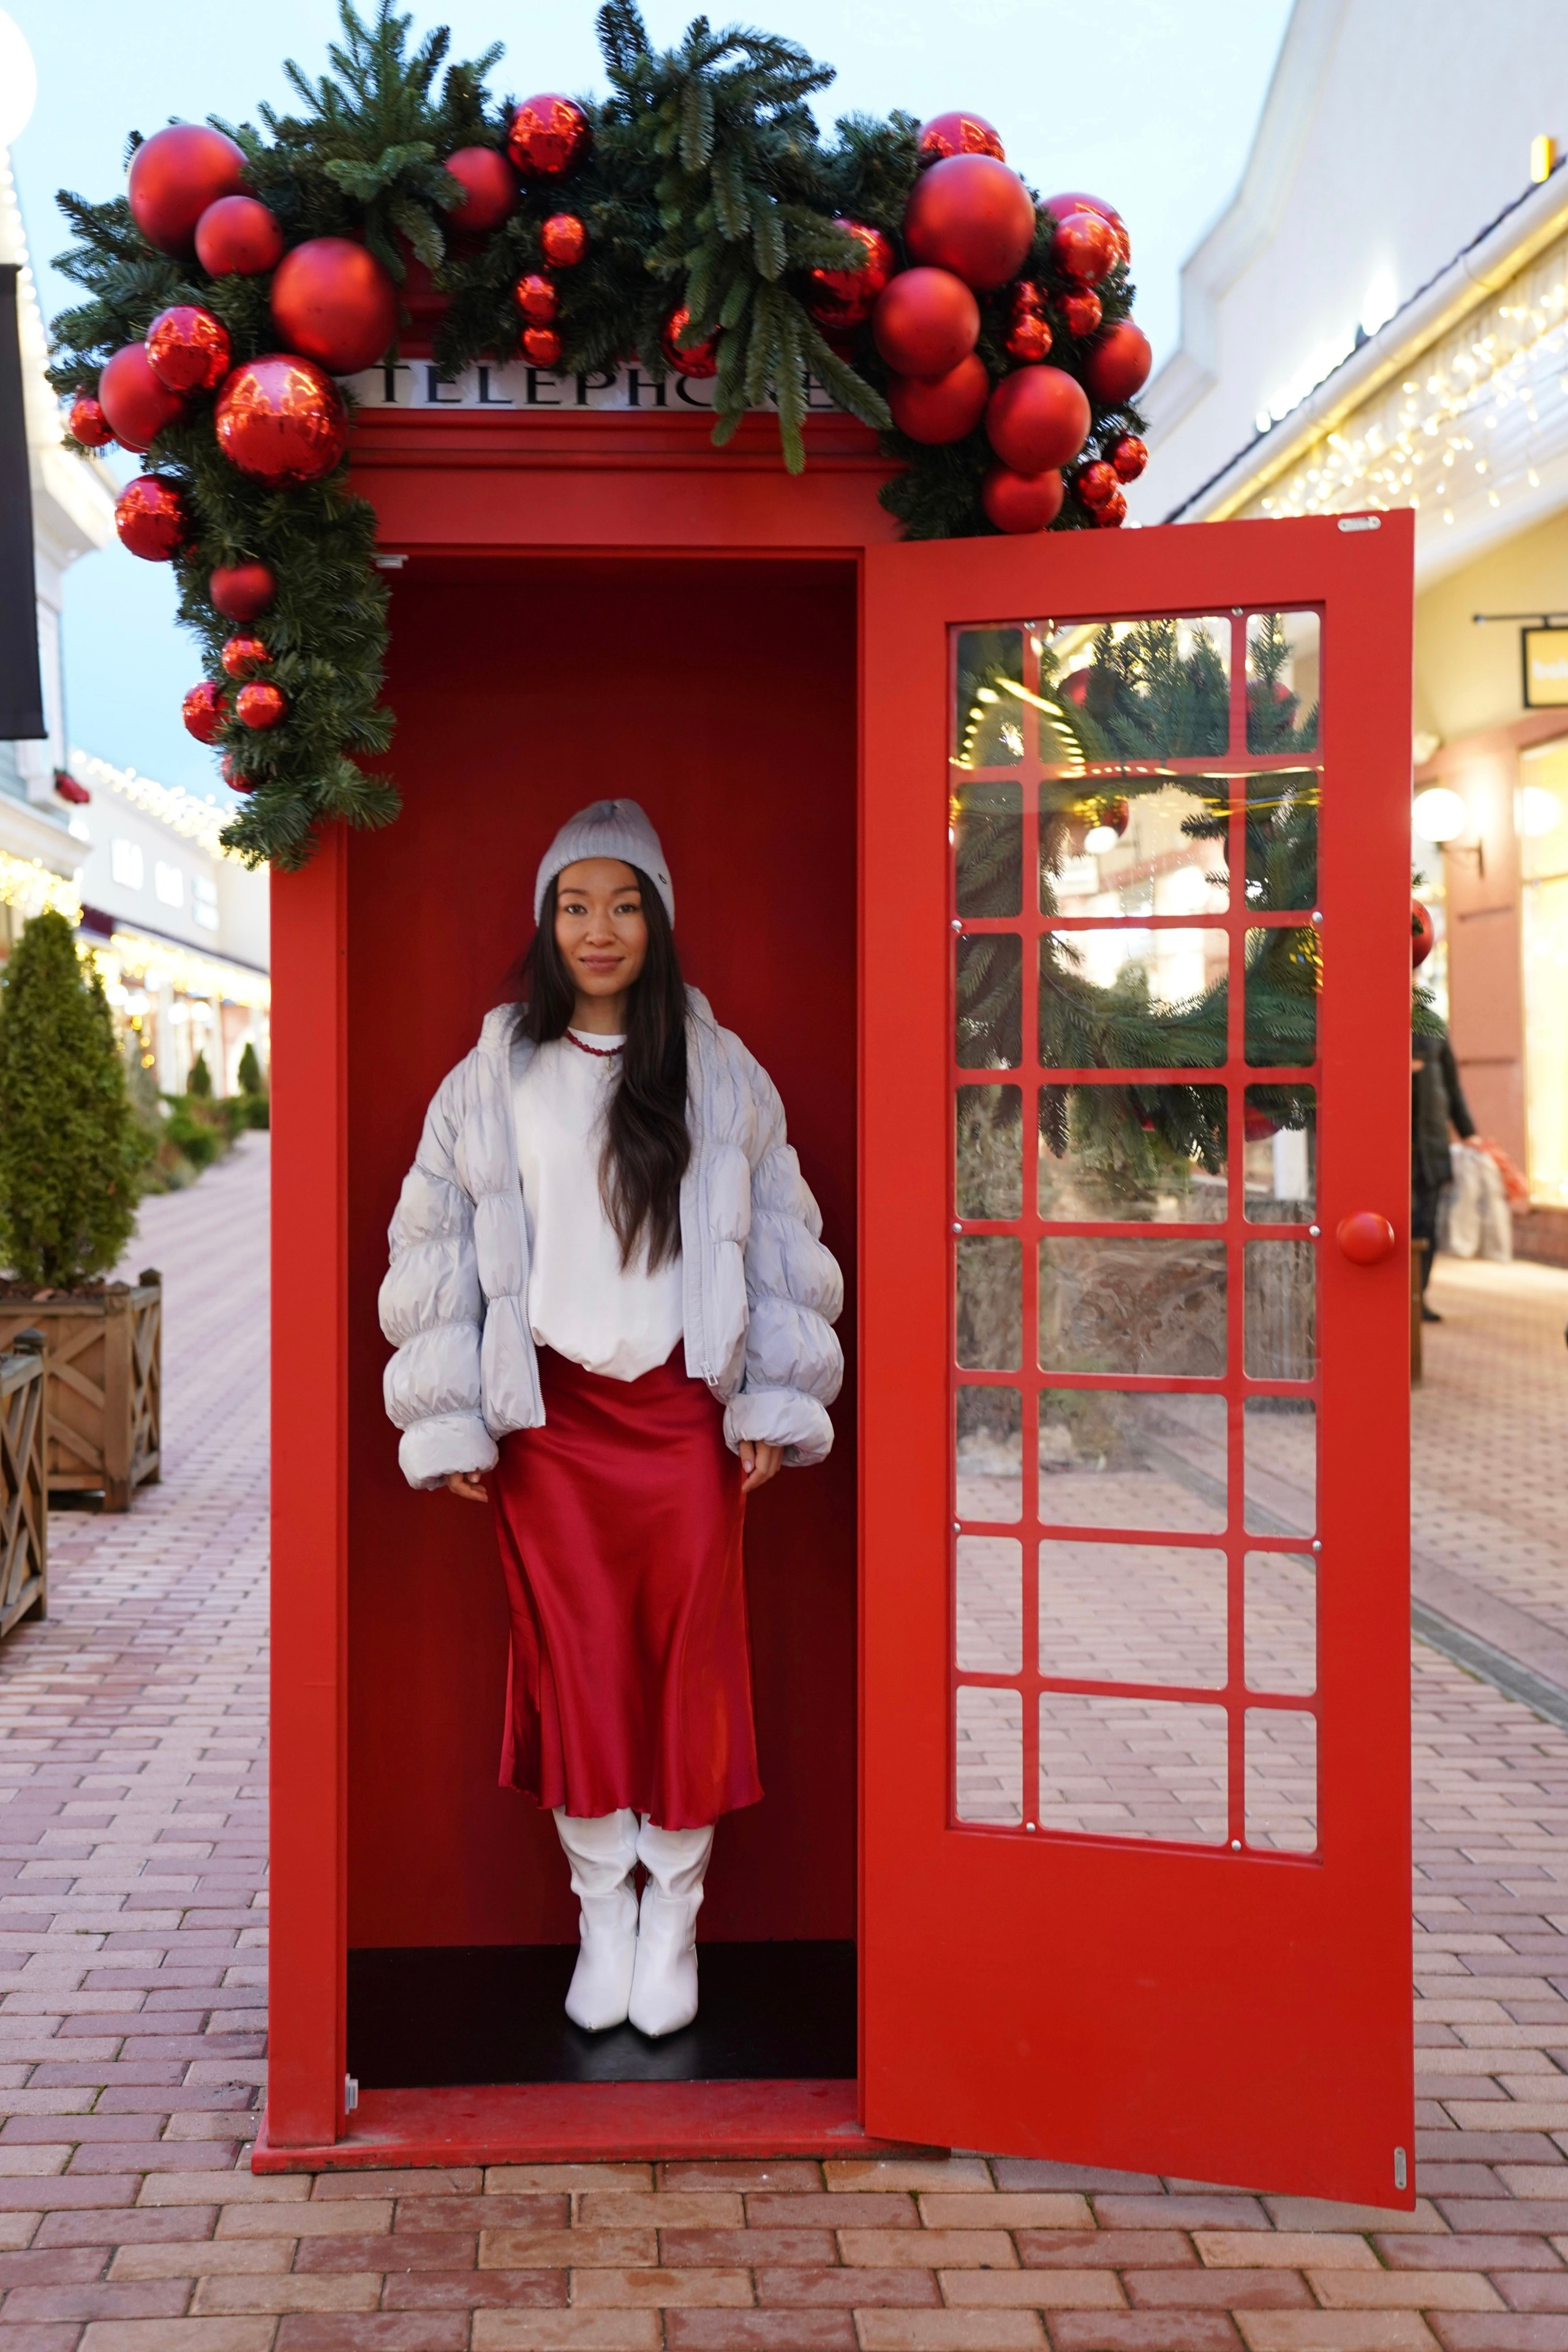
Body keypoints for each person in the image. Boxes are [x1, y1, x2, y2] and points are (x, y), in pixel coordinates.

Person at [378, 801, 843, 2039]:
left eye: (624, 904)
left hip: (683, 1419)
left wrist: (770, 1399)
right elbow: (432, 1246)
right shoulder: (493, 1075)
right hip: (552, 1425)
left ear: (659, 921)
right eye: (576, 905)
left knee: (688, 1676)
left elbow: (782, 1240)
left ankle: (673, 1919)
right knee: (577, 1676)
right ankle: (602, 1913)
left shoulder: (717, 1069)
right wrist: (450, 1416)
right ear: (545, 922)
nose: (599, 929)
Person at [1411, 1022, 1475, 1324]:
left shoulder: (1432, 1026)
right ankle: (1399, 1298)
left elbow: (1452, 1085)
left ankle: (1418, 1297)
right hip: (1397, 1148)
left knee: (1427, 1226)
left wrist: (1469, 1133)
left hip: (1432, 1146)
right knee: (1403, 1225)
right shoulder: (1378, 1015)